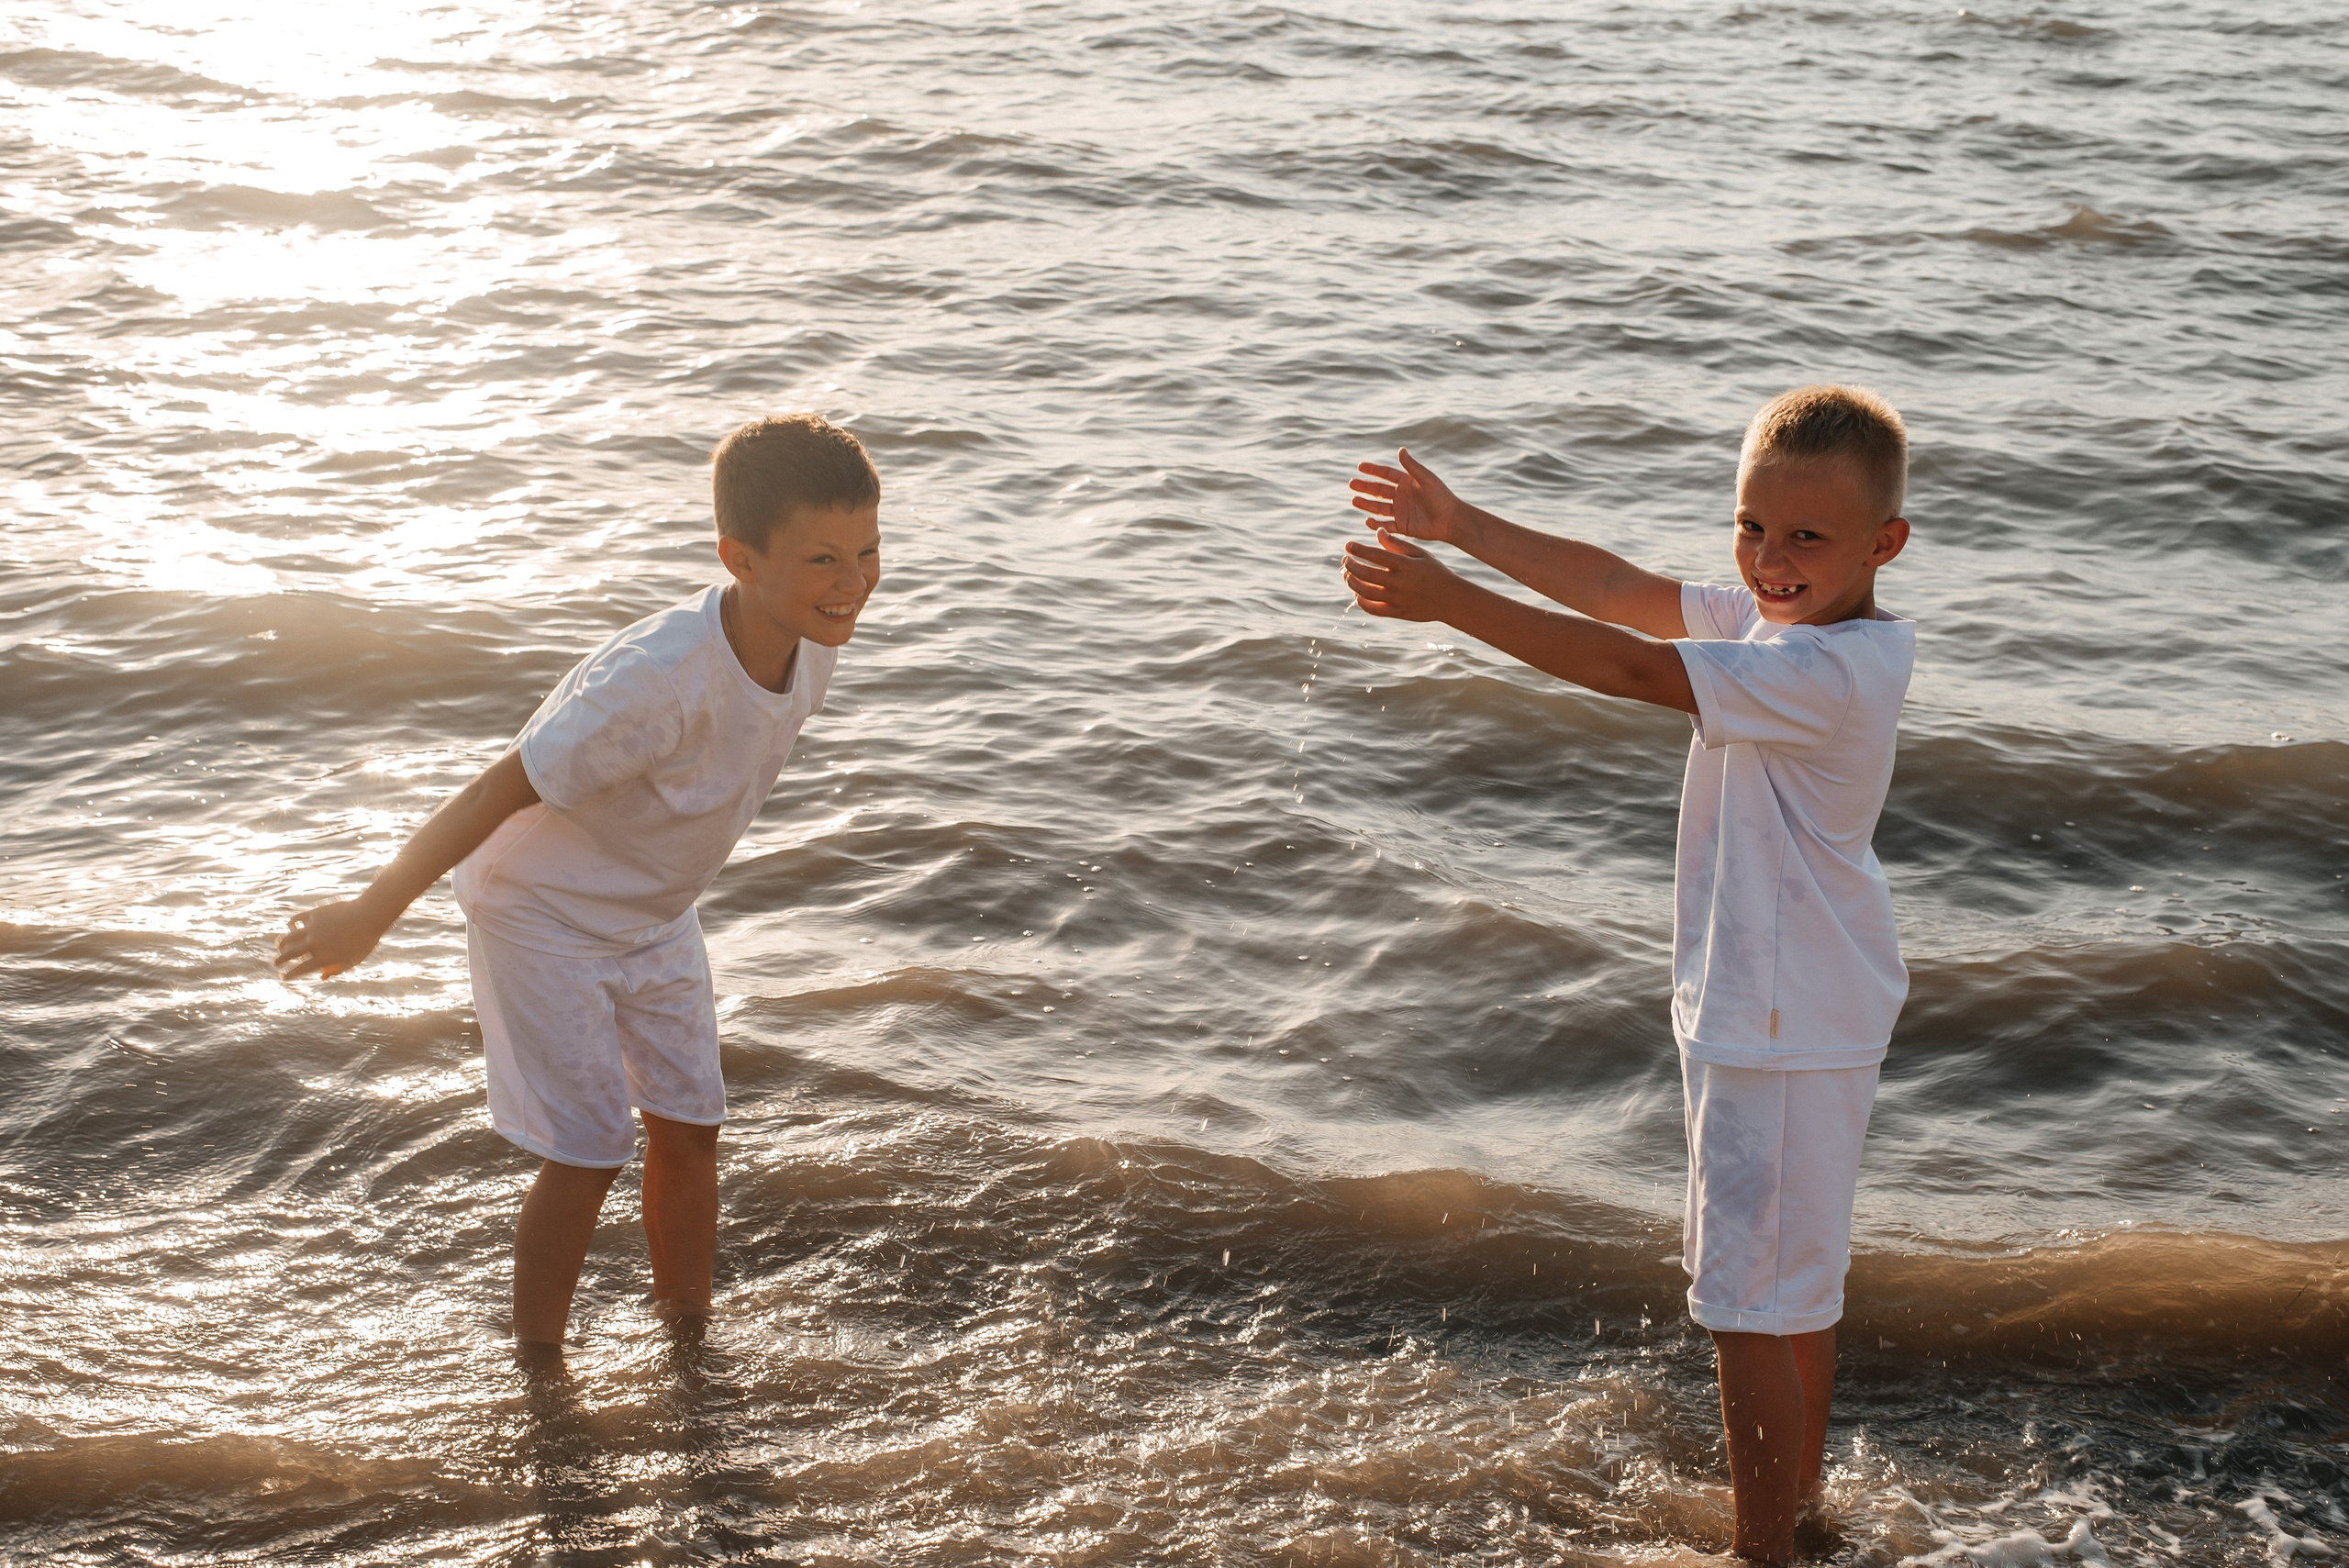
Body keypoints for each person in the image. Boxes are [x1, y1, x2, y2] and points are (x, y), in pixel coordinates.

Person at [1341, 386, 1914, 1563]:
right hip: (1807, 1008)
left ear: (1883, 543)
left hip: (1776, 1019)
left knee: (1746, 1306)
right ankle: (1799, 1521)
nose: (1769, 557)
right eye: (1750, 526)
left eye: (1805, 536)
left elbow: (1633, 666)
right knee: (1791, 1293)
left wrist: (1451, 602)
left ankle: (1762, 1550)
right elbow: (1614, 589)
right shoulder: (1784, 627)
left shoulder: (1822, 670)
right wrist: (1463, 525)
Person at [273, 413, 883, 1352]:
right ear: (740, 559)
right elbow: (492, 789)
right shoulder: (653, 682)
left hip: (653, 910)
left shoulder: (814, 637)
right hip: (541, 913)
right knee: (592, 1146)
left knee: (691, 1123)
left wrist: (655, 892)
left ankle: (688, 1337)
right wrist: (372, 911)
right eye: (823, 560)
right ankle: (540, 1370)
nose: (853, 583)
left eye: (868, 552)